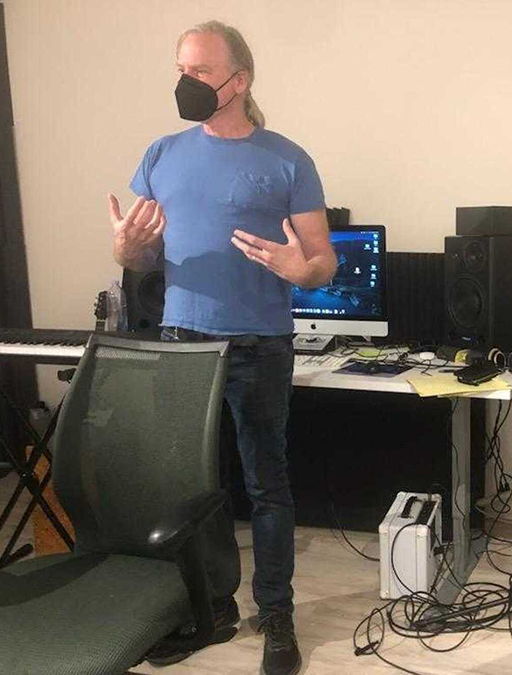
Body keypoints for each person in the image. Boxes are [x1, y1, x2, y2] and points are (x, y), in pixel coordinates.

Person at [108, 20, 336, 675]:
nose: (187, 81)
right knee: (189, 489)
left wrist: (304, 270)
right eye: (182, 68)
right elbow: (145, 251)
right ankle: (206, 610)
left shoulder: (288, 159)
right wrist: (128, 248)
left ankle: (278, 616)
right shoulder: (161, 154)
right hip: (183, 343)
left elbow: (321, 262)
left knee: (267, 486)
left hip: (260, 345)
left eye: (201, 71)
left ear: (239, 80)